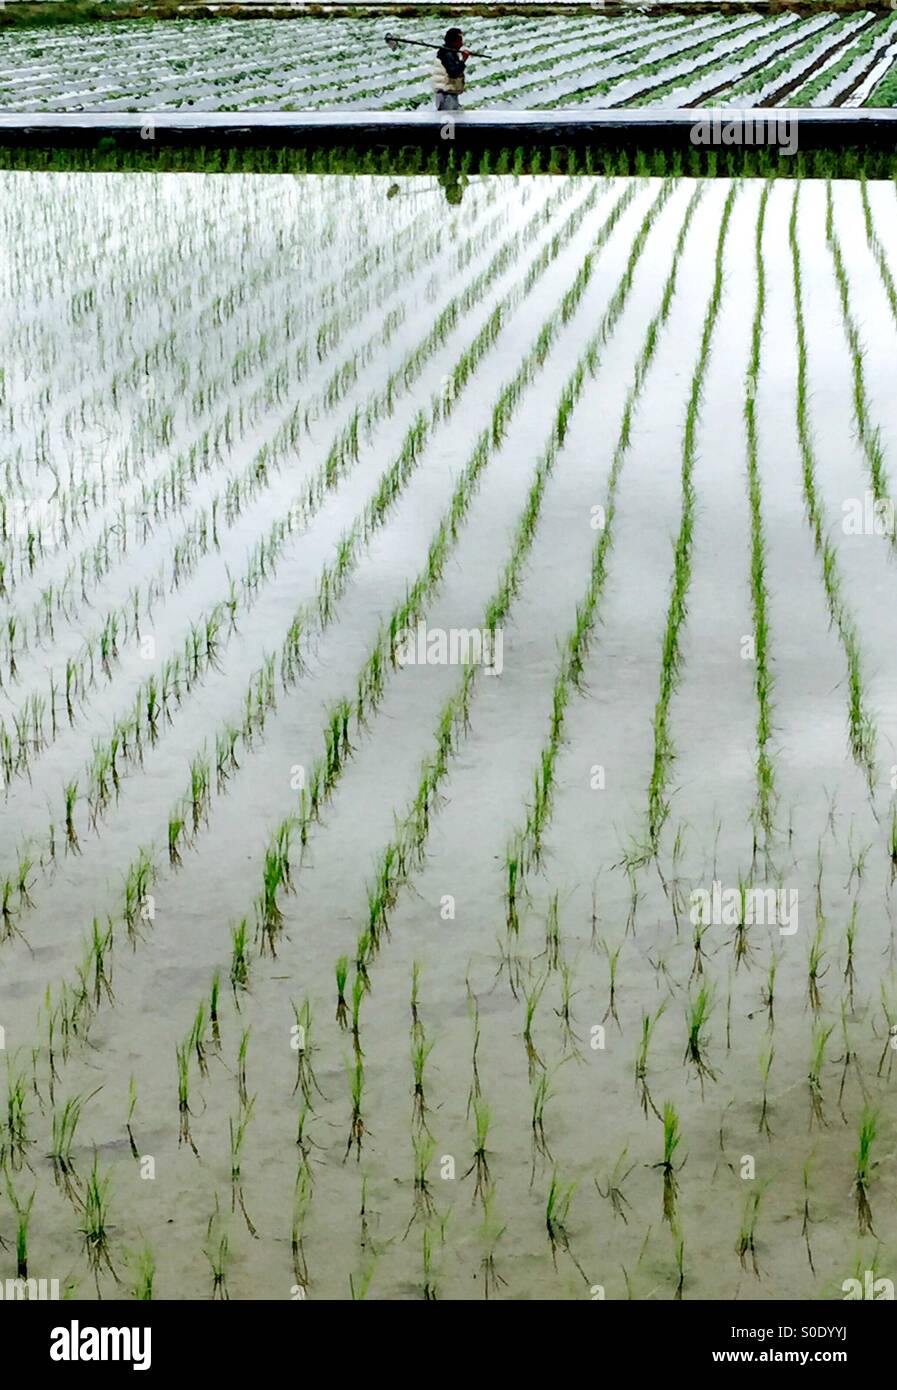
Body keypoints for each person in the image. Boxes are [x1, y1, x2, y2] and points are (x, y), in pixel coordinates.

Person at [431, 28, 470, 112]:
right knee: (449, 121)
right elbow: (453, 72)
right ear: (454, 41)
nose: (461, 43)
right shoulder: (447, 54)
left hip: (448, 94)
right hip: (447, 96)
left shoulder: (448, 53)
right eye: (460, 40)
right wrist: (463, 60)